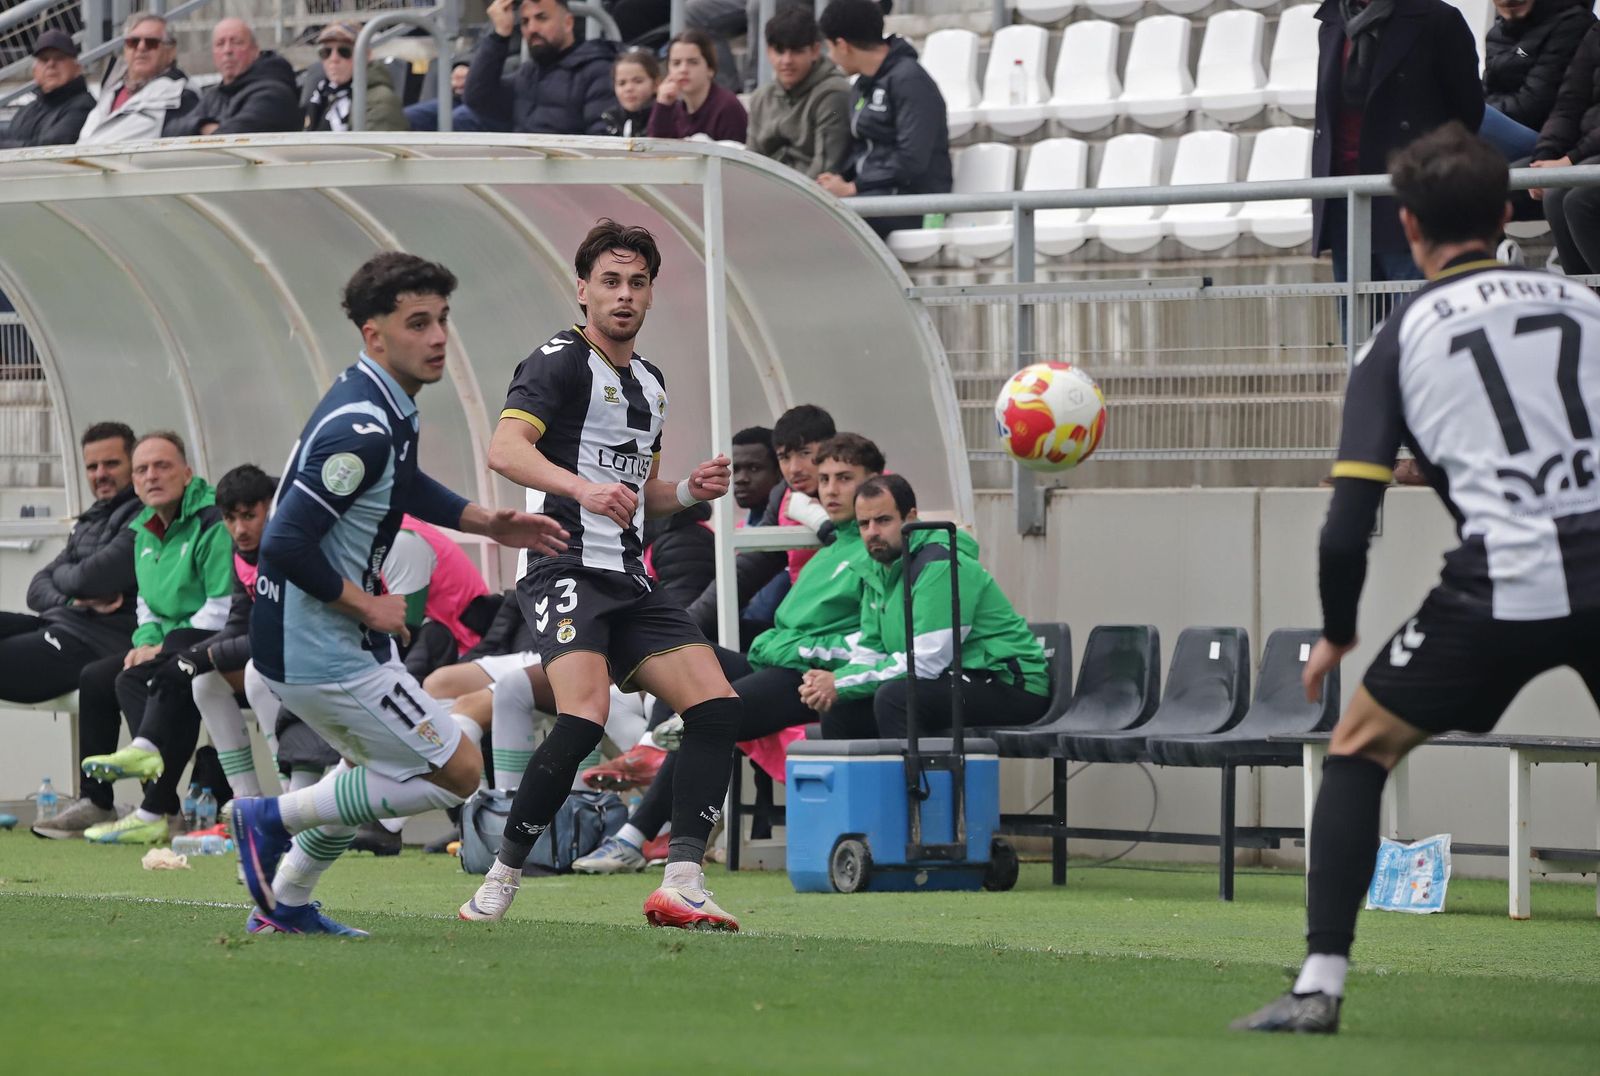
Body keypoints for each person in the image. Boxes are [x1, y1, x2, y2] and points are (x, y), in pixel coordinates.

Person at [1234, 123, 1600, 1034]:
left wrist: (1338, 630)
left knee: (1359, 746)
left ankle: (1319, 984)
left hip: (1501, 581)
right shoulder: (1585, 306)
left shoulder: (1397, 340)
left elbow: (1346, 524)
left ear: (1407, 224)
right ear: (1508, 212)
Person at [225, 252, 568, 936]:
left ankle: (284, 903)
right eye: (418, 323)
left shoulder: (380, 401)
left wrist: (485, 521)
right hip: (319, 648)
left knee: (370, 769)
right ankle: (267, 818)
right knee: (458, 771)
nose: (438, 337)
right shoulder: (362, 427)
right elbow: (284, 541)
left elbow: (398, 484)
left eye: (442, 319)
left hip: (325, 643)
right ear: (374, 334)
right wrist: (367, 604)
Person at [456, 219, 745, 931]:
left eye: (637, 283)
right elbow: (504, 449)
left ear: (650, 294)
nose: (624, 295)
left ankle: (682, 881)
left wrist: (690, 491)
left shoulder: (651, 383)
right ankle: (500, 877)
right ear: (582, 290)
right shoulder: (557, 360)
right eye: (610, 281)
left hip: (628, 577)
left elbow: (640, 494)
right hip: (563, 565)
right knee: (583, 715)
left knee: (717, 708)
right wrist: (581, 489)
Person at [574, 433, 885, 873]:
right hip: (778, 665)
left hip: (814, 679)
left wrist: (786, 646)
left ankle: (636, 834)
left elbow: (870, 641)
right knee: (686, 652)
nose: (831, 489)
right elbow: (786, 625)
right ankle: (650, 753)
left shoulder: (877, 552)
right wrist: (778, 643)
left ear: (874, 483)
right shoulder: (830, 546)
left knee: (705, 714)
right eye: (826, 478)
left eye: (845, 478)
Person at [73, 431, 235, 845]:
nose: (151, 476)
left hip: (220, 640)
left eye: (162, 466)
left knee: (146, 677)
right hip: (172, 644)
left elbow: (222, 608)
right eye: (142, 469)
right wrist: (145, 643)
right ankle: (107, 800)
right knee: (100, 676)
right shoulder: (144, 528)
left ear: (187, 473)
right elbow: (147, 603)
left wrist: (163, 647)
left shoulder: (212, 521)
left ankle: (157, 805)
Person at [799, 474, 1052, 738]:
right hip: (953, 676)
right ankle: (870, 770)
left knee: (897, 698)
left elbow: (927, 662)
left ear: (910, 518)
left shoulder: (940, 563)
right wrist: (831, 684)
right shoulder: (877, 571)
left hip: (1010, 684)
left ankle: (921, 768)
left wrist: (841, 683)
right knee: (840, 706)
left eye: (883, 520)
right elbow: (871, 651)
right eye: (864, 523)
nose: (872, 532)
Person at [1311, 0, 1484, 290]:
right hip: (1344, 201)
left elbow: (1466, 114)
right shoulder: (1332, 22)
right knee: (1356, 317)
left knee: (1415, 311)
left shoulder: (1437, 19)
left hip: (1409, 197)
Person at [2, 423, 139, 714]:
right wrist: (70, 600)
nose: (100, 474)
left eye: (111, 464)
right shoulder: (91, 519)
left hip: (95, 642)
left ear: (134, 465)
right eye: (92, 467)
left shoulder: (143, 517)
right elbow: (36, 588)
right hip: (57, 623)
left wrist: (68, 579)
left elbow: (89, 580)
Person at [816, 0, 952, 239]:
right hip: (872, 193)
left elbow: (912, 160)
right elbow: (863, 150)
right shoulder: (862, 85)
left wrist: (853, 187)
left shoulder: (911, 81)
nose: (831, 57)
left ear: (843, 45)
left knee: (829, 225)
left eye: (830, 48)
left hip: (914, 201)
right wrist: (839, 179)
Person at [465, 0, 619, 136]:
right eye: (525, 21)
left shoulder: (598, 71)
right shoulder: (528, 73)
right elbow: (478, 98)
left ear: (568, 23)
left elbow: (600, 143)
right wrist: (500, 35)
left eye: (542, 18)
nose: (532, 28)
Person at [746, 6, 851, 179]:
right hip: (765, 190)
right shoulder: (761, 98)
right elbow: (750, 163)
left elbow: (826, 169)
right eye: (779, 51)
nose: (787, 60)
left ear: (815, 51)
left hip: (810, 192)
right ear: (768, 52)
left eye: (796, 51)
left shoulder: (834, 93)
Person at [1480, 0, 1594, 158]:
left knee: (1469, 116)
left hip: (1546, 138)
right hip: (1506, 122)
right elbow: (1487, 89)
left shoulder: (1571, 23)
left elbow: (1536, 103)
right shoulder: (1496, 33)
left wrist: (1480, 109)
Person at [1529, 22, 1600, 274]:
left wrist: (1569, 160)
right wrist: (1546, 154)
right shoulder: (1596, 34)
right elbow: (1569, 103)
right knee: (1555, 194)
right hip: (1588, 151)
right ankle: (1584, 294)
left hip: (1587, 152)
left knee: (1580, 200)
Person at [76, 14, 198, 144]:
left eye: (151, 43)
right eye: (133, 42)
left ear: (170, 52)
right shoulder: (112, 89)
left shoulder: (181, 96)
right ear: (125, 49)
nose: (141, 47)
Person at [176, 17, 300, 136]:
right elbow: (171, 131)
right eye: (220, 44)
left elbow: (232, 138)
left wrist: (199, 131)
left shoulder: (273, 94)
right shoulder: (214, 95)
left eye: (236, 42)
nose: (227, 50)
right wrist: (202, 126)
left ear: (255, 50)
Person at [303, 22, 408, 133]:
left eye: (344, 52)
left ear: (366, 55)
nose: (333, 59)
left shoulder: (380, 101)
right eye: (326, 52)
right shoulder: (322, 95)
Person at [646, 30, 748, 142]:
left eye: (693, 62)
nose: (683, 69)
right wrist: (662, 106)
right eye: (676, 63)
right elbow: (656, 149)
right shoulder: (673, 108)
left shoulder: (727, 107)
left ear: (710, 69)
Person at [0, 30, 95, 149]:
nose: (51, 64)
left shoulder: (84, 106)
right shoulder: (27, 110)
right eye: (44, 59)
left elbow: (50, 148)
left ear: (77, 68)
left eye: (59, 58)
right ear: (35, 72)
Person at [405, 57, 505, 132]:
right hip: (457, 96)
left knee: (461, 118)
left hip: (488, 95)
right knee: (413, 115)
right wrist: (461, 65)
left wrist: (475, 72)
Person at [602, 47, 660, 137]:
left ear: (656, 84)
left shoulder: (666, 118)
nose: (629, 88)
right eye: (622, 83)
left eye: (638, 81)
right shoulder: (609, 120)